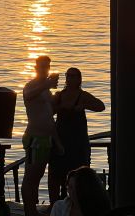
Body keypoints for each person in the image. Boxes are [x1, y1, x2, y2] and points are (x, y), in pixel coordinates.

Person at [48, 67, 105, 205]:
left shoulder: (82, 95)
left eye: (74, 76)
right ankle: (54, 205)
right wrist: (59, 107)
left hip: (78, 142)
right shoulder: (59, 95)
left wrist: (84, 105)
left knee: (79, 175)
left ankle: (79, 204)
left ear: (79, 79)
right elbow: (49, 112)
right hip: (60, 141)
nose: (70, 78)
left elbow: (100, 106)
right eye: (68, 76)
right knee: (55, 174)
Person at [22, 55, 63, 216]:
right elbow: (28, 95)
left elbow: (49, 113)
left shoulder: (45, 90)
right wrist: (45, 84)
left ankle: (33, 209)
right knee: (30, 177)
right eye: (42, 66)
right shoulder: (31, 86)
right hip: (35, 139)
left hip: (47, 139)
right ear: (36, 68)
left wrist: (59, 97)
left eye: (47, 66)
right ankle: (29, 211)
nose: (45, 69)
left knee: (38, 176)